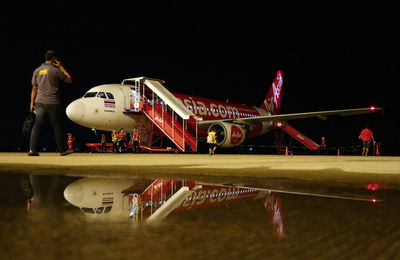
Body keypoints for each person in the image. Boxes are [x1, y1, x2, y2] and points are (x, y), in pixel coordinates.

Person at [28, 50, 72, 156]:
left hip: (39, 102)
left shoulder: (37, 71)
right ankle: (62, 150)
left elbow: (34, 89)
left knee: (37, 125)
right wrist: (61, 66)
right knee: (57, 126)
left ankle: (32, 150)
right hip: (53, 102)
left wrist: (31, 103)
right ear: (54, 59)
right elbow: (69, 79)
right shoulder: (55, 70)